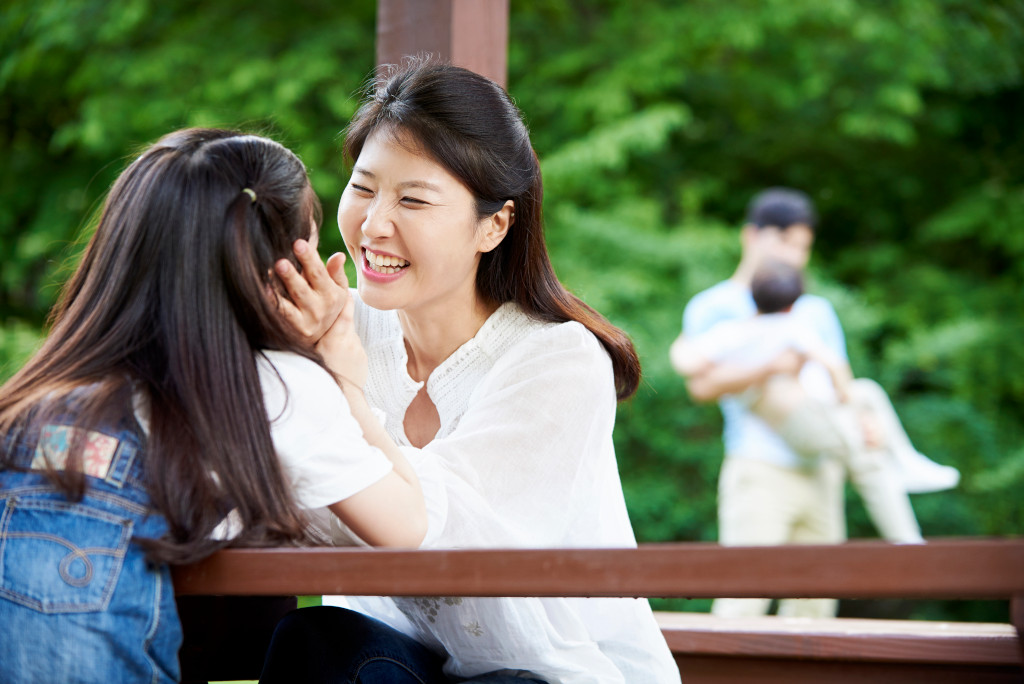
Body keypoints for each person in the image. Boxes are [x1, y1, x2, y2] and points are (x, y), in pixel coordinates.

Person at [260, 59, 681, 684]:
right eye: (364, 187)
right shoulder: (332, 327)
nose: (374, 225)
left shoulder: (559, 360)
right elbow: (298, 507)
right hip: (403, 664)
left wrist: (341, 387)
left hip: (547, 670)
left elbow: (442, 528)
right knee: (315, 640)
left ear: (494, 225)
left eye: (414, 199)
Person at [0, 128, 428, 684]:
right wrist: (341, 367)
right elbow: (406, 528)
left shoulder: (40, 398)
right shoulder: (277, 386)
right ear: (288, 269)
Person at [669, 188, 957, 619]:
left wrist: (865, 423)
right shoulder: (716, 306)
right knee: (742, 604)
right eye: (787, 243)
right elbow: (700, 385)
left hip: (823, 468)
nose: (795, 257)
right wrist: (772, 366)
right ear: (753, 236)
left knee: (814, 611)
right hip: (760, 467)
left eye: (804, 247)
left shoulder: (814, 309)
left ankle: (903, 472)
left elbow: (838, 380)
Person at [681, 258, 958, 545]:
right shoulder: (792, 326)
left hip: (806, 441)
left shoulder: (734, 331)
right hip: (798, 430)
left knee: (868, 399)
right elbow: (834, 364)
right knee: (867, 449)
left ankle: (906, 464)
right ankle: (905, 527)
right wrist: (846, 401)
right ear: (793, 304)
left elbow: (687, 362)